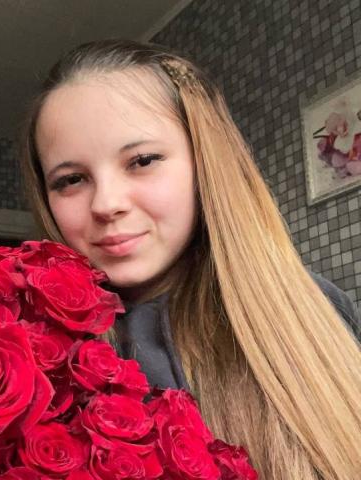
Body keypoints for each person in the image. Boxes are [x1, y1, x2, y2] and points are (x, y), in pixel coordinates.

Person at [19, 39, 361, 479]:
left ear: (205, 163)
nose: (106, 203)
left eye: (142, 160)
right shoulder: (37, 358)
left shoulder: (315, 309)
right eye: (71, 180)